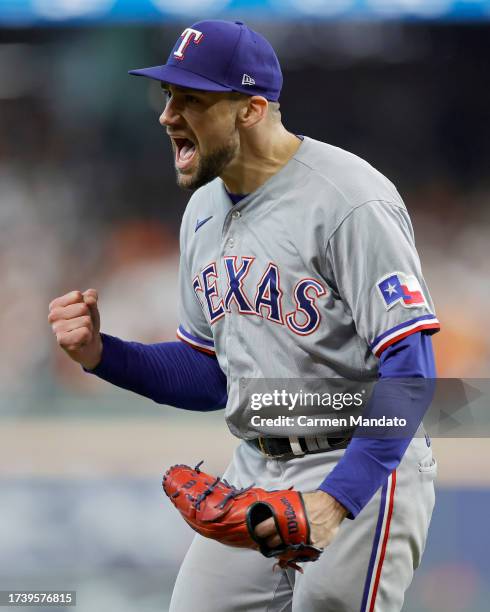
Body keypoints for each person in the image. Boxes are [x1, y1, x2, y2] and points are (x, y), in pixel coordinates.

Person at [48, 19, 440, 612]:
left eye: (192, 99)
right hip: (256, 469)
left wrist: (335, 500)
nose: (168, 115)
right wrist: (105, 355)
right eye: (167, 95)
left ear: (251, 109)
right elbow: (210, 373)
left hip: (359, 464)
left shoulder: (349, 199)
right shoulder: (203, 209)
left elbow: (411, 373)